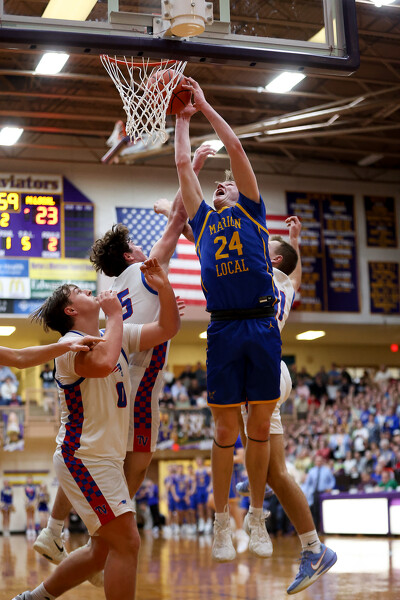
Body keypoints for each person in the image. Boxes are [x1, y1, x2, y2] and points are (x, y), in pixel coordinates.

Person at [33, 146, 214, 577]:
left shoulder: (117, 287)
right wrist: (193, 165)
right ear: (132, 255)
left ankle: (55, 528)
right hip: (138, 380)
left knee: (92, 454)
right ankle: (104, 540)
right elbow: (179, 218)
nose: (142, 247)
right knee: (133, 463)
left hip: (118, 372)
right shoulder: (147, 268)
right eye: (136, 245)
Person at [12, 257, 180, 600]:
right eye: (78, 290)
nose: (87, 289)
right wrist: (116, 315)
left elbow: (167, 329)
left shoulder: (113, 335)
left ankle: (34, 598)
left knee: (102, 549)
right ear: (71, 310)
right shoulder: (69, 348)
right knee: (127, 541)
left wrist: (163, 288)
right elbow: (103, 364)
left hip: (104, 459)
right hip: (82, 457)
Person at [174, 78, 282, 562]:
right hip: (222, 326)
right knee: (223, 432)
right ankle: (222, 522)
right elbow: (183, 165)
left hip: (260, 323)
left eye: (228, 183)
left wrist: (204, 104)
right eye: (217, 185)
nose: (221, 184)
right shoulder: (200, 221)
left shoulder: (253, 211)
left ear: (242, 192)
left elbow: (235, 147)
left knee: (258, 425)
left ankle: (256, 516)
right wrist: (182, 120)